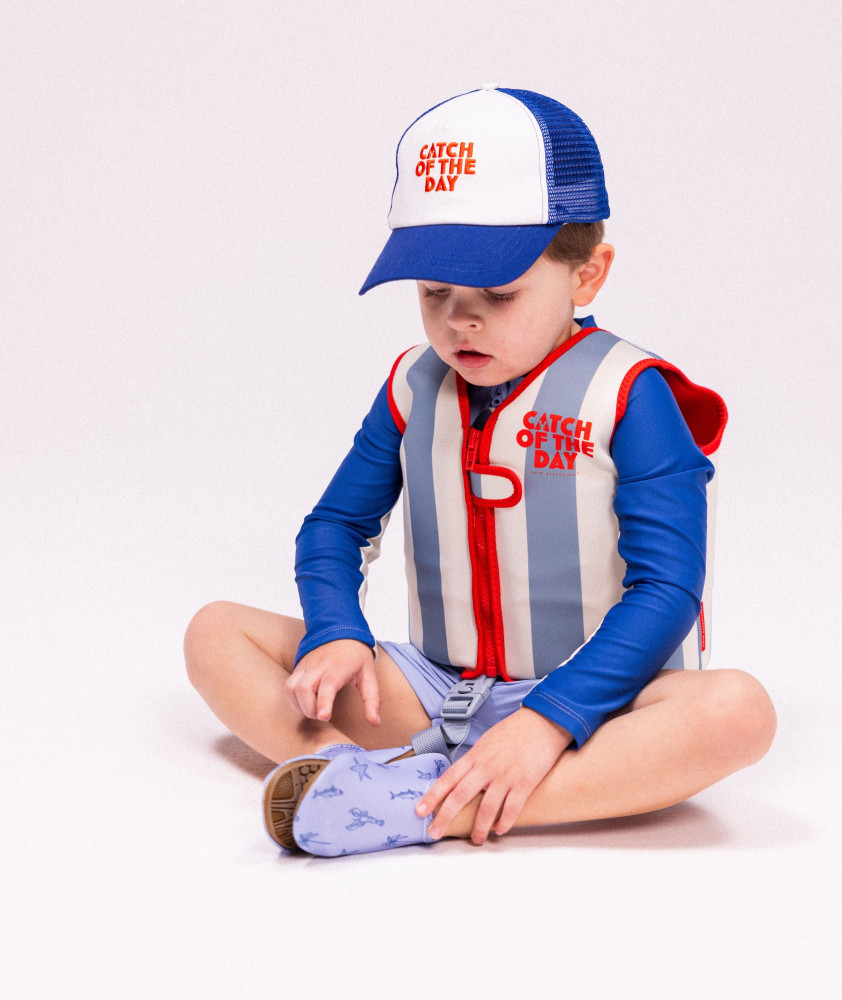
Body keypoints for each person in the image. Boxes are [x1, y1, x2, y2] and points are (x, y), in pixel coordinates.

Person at [184, 85, 776, 858]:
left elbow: (667, 588)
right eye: (435, 292)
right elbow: (334, 527)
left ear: (588, 275)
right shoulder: (412, 385)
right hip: (437, 692)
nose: (460, 319)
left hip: (599, 711)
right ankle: (344, 774)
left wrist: (549, 719)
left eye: (498, 293)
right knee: (215, 633)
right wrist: (337, 632)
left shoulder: (632, 394)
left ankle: (429, 807)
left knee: (737, 711)